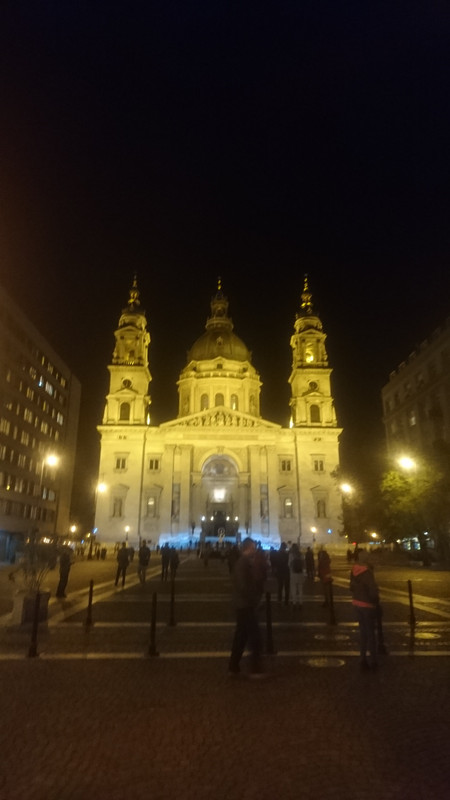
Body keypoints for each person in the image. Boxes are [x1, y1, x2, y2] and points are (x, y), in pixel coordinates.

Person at [228, 537, 265, 678]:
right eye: (253, 547)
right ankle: (256, 669)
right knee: (255, 638)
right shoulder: (243, 563)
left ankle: (233, 666)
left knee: (241, 637)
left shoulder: (243, 562)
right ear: (248, 547)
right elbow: (243, 586)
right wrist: (254, 599)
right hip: (246, 605)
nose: (255, 550)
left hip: (243, 604)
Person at [350, 549, 379, 670]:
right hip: (367, 604)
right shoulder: (367, 572)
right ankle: (373, 659)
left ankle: (362, 658)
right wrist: (375, 601)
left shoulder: (353, 570)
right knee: (370, 633)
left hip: (357, 603)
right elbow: (372, 590)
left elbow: (351, 587)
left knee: (362, 633)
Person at [288, 543, 304, 610]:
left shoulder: (291, 555)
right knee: (300, 589)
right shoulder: (301, 555)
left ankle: (294, 603)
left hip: (293, 574)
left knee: (293, 589)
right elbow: (303, 564)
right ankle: (300, 603)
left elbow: (289, 564)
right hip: (300, 573)